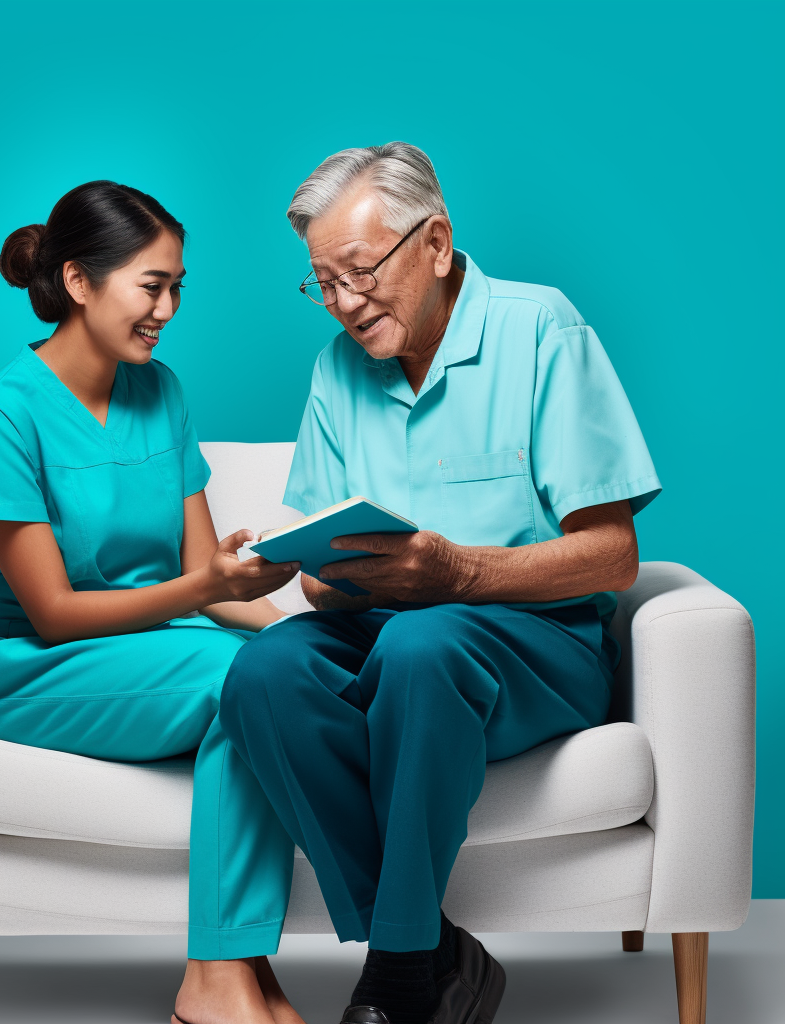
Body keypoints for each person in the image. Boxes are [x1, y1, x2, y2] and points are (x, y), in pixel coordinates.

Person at [218, 144, 662, 1024]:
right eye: (323, 283)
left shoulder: (543, 329)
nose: (344, 304)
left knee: (424, 641)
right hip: (385, 633)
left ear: (435, 241)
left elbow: (614, 555)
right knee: (264, 672)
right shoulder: (334, 372)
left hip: (536, 641)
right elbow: (324, 596)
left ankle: (399, 975)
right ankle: (436, 948)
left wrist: (458, 571)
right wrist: (302, 563)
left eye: (359, 271)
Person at [0, 181, 305, 1024]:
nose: (169, 308)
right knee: (242, 683)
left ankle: (239, 972)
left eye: (179, 286)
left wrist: (300, 627)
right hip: (28, 669)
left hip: (160, 645)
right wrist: (207, 588)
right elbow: (53, 613)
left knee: (283, 669)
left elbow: (204, 579)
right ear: (79, 282)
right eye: (153, 285)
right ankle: (218, 978)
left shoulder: (162, 392)